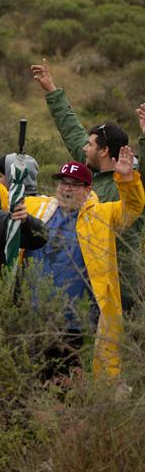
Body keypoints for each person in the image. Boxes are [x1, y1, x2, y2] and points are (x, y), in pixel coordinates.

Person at [0, 145, 143, 378]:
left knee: (63, 383)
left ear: (88, 189)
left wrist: (127, 178)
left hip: (74, 323)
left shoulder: (103, 214)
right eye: (63, 182)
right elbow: (5, 198)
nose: (67, 188)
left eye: (74, 183)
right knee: (24, 379)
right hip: (30, 316)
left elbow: (132, 207)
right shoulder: (38, 206)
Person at [31, 62, 144, 312]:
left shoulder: (131, 181)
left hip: (119, 284)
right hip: (83, 277)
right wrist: (51, 90)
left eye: (91, 145)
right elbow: (72, 132)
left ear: (104, 151)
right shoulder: (88, 171)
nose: (84, 148)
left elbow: (134, 199)